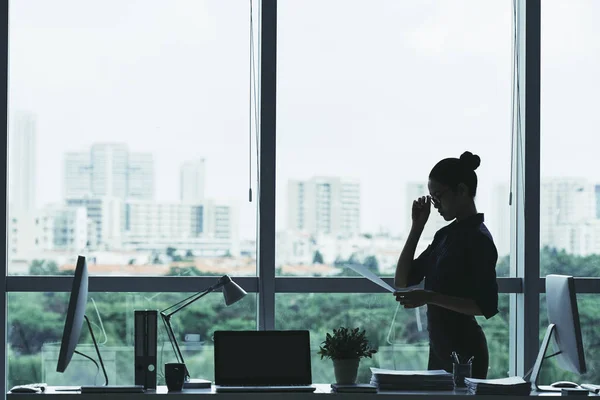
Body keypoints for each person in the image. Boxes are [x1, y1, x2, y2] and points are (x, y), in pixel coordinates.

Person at [393, 151, 498, 379]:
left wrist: (429, 297)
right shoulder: (445, 236)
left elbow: (484, 306)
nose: (436, 205)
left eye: (439, 196)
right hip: (440, 349)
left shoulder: (479, 239)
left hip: (466, 354)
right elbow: (402, 281)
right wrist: (417, 227)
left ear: (461, 190)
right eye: (432, 198)